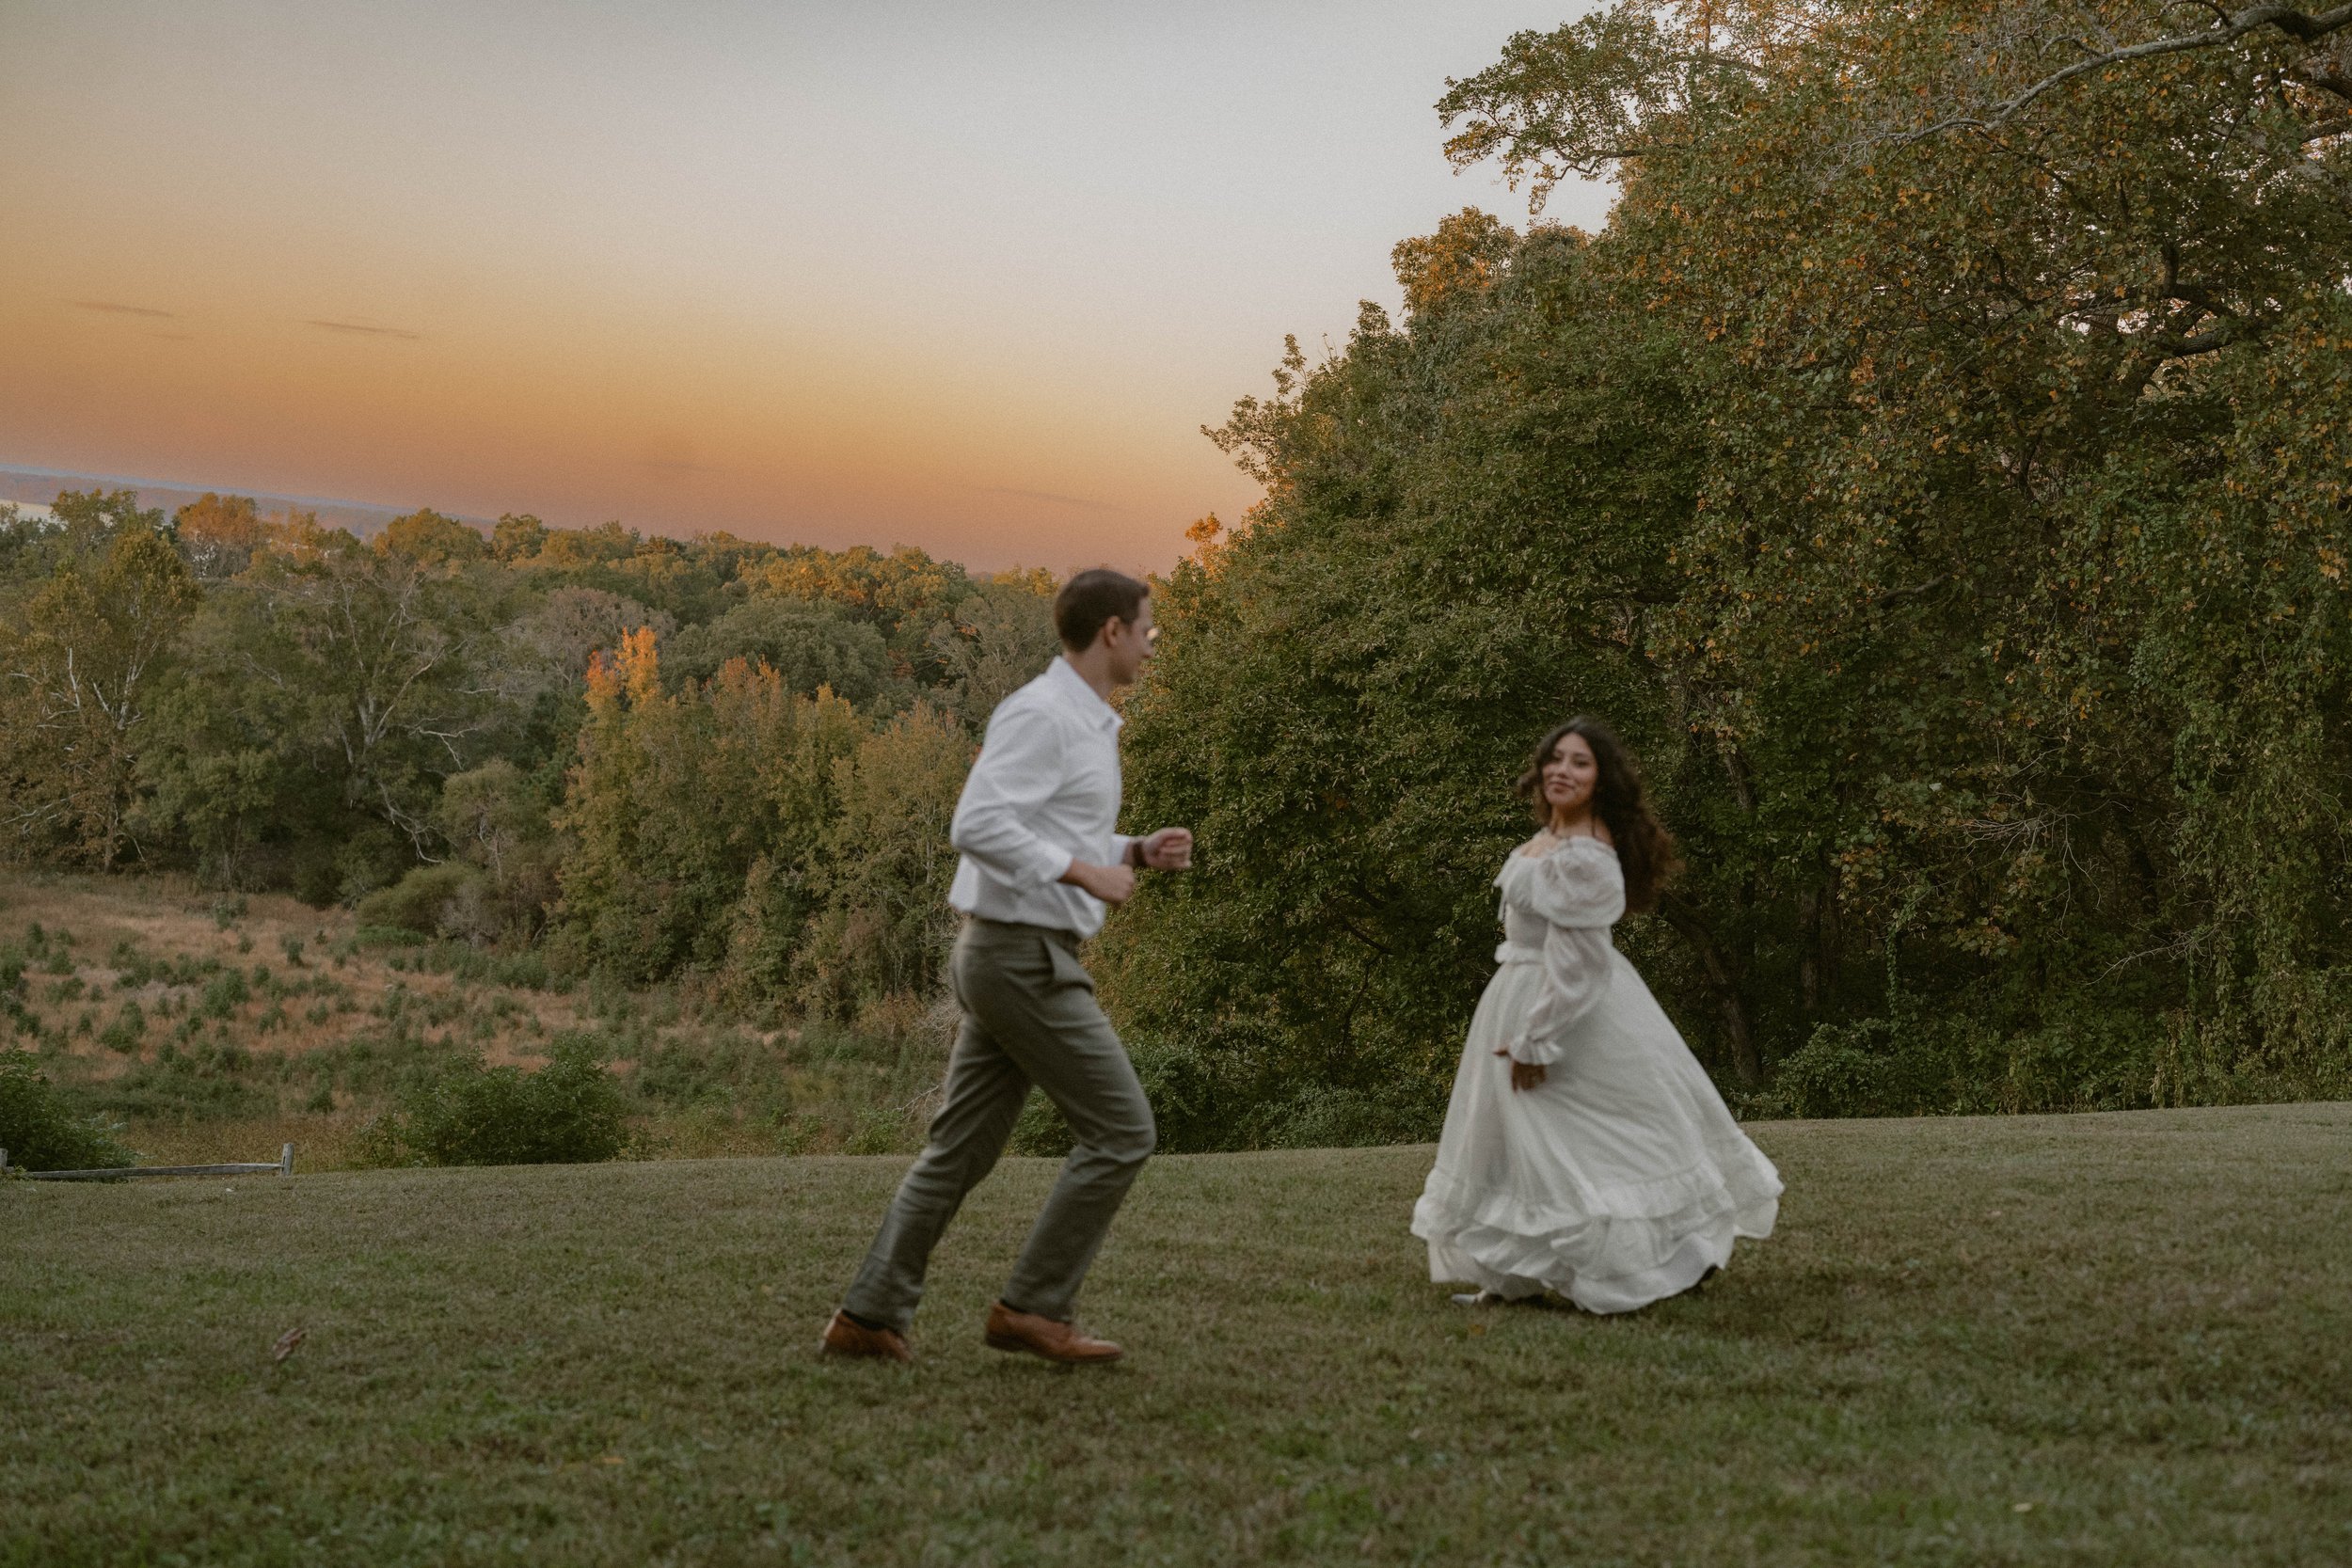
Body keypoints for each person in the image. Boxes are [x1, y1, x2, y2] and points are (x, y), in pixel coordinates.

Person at [820, 568, 1194, 1366]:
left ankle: (869, 1317)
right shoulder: (1041, 712)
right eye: (1148, 631)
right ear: (1112, 632)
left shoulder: (1087, 721)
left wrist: (1130, 850)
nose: (1152, 647)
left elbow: (1042, 821)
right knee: (1123, 1128)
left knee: (960, 1152)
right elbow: (978, 822)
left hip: (1013, 952)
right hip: (1019, 954)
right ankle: (1034, 1306)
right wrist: (1085, 872)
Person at [1411, 718, 1781, 1313]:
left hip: (1561, 1012)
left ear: (1601, 779)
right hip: (1518, 994)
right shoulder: (1553, 838)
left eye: (1580, 762)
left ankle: (1647, 1265)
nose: (1563, 770)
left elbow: (1581, 963)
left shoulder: (1584, 854)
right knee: (1513, 1142)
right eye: (1556, 758)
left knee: (1586, 1137)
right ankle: (1514, 1276)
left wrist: (1537, 1038)